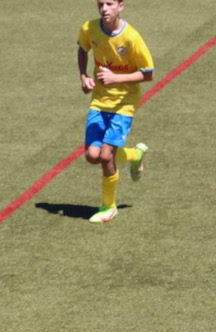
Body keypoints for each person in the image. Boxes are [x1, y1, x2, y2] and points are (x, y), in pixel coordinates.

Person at [77, 0, 154, 223]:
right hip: (100, 101)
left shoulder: (131, 37)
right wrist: (84, 76)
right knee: (93, 155)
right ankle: (135, 155)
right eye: (100, 4)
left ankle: (109, 207)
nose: (104, 9)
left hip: (124, 103)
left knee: (105, 156)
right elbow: (82, 49)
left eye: (109, 4)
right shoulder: (89, 28)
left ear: (121, 6)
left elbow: (148, 73)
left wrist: (115, 78)